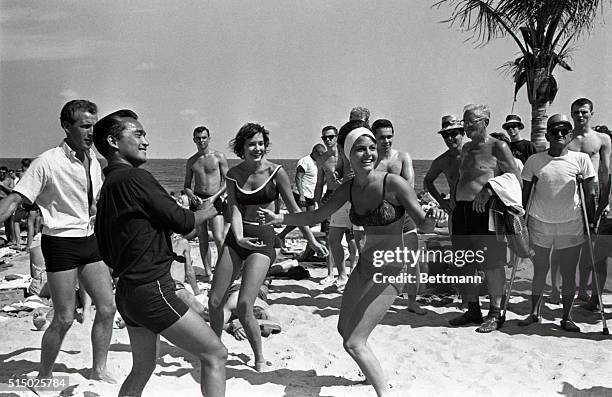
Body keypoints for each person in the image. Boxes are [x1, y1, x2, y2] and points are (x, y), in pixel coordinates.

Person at [261, 120, 441, 397]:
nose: (368, 153)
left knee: (354, 342)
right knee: (344, 329)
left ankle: (383, 391)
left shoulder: (393, 184)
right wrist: (279, 218)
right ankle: (372, 374)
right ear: (347, 154)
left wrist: (433, 217)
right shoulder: (348, 188)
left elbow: (424, 226)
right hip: (365, 266)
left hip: (392, 269)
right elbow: (315, 216)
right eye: (360, 149)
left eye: (371, 147)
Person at [93, 109, 226, 397]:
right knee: (215, 354)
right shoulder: (135, 178)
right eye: (138, 134)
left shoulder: (109, 188)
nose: (146, 141)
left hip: (127, 292)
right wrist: (214, 209)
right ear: (114, 142)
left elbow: (104, 247)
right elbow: (184, 221)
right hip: (152, 289)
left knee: (143, 368)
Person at [0, 100, 116, 382]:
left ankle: (98, 370)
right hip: (60, 243)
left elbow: (95, 205)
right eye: (85, 126)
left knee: (108, 307)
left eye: (94, 126)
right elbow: (15, 199)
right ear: (67, 126)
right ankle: (45, 372)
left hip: (90, 240)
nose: (91, 132)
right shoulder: (47, 162)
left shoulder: (95, 162)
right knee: (64, 318)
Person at [207, 123, 327, 372]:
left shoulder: (276, 172)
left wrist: (311, 239)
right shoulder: (233, 174)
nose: (257, 148)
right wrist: (238, 238)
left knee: (244, 305)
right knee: (214, 301)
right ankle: (214, 349)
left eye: (261, 143)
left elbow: (294, 210)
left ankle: (259, 356)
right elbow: (234, 209)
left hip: (263, 241)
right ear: (242, 147)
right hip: (238, 238)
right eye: (252, 144)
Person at [518, 114, 595, 332]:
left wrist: (592, 224)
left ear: (570, 134)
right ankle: (534, 313)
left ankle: (567, 317)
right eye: (554, 131)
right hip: (540, 224)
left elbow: (590, 194)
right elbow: (525, 194)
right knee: (540, 269)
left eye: (564, 130)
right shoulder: (534, 161)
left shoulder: (581, 160)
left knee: (569, 272)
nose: (559, 134)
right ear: (547, 134)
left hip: (571, 224)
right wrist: (520, 220)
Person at [448, 104, 521, 333]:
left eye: (472, 122)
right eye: (465, 122)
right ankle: (472, 309)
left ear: (485, 122)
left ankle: (496, 313)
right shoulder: (467, 148)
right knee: (465, 261)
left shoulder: (498, 146)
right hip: (462, 212)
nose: (467, 126)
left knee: (492, 263)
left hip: (487, 211)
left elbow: (515, 179)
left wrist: (489, 189)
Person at [372, 118, 425, 315]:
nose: (386, 141)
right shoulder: (371, 160)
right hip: (379, 218)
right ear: (374, 138)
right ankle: (380, 299)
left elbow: (409, 186)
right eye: (382, 137)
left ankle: (412, 301)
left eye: (389, 136)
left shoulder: (402, 157)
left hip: (404, 215)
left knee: (412, 260)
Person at [314, 125, 358, 289]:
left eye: (331, 137)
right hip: (330, 197)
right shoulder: (322, 159)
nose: (328, 140)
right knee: (330, 237)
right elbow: (319, 183)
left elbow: (354, 176)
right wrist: (317, 203)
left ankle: (353, 269)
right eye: (324, 137)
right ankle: (331, 273)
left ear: (337, 137)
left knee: (351, 237)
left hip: (348, 196)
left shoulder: (346, 154)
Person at [184, 125, 229, 280]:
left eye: (204, 137)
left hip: (214, 200)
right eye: (198, 138)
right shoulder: (191, 161)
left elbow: (227, 181)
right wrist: (191, 196)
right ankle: (208, 272)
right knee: (202, 237)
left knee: (218, 236)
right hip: (198, 200)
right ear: (194, 140)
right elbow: (186, 185)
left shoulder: (219, 157)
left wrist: (215, 197)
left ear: (209, 138)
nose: (201, 140)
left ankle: (223, 271)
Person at [277, 144, 326, 242]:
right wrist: (302, 195)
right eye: (320, 155)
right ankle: (281, 235)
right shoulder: (305, 161)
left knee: (312, 219)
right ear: (315, 152)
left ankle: (307, 237)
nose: (322, 157)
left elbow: (320, 180)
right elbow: (298, 177)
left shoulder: (319, 164)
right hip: (301, 194)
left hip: (311, 195)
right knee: (300, 218)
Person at [423, 115, 465, 214]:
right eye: (445, 135)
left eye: (454, 134)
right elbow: (428, 180)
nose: (449, 138)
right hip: (456, 210)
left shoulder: (475, 154)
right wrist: (441, 202)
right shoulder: (442, 161)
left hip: (478, 208)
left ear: (463, 133)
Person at [170, 233, 208, 317]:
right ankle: (226, 326)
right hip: (175, 286)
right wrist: (197, 293)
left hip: (159, 284)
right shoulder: (182, 243)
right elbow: (189, 272)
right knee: (201, 311)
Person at [0, 165, 15, 245]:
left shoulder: (10, 180)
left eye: (3, 173)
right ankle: (8, 239)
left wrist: (2, 185)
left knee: (10, 222)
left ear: (6, 173)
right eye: (0, 172)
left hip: (7, 202)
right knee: (4, 222)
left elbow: (12, 190)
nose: (1, 174)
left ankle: (12, 239)